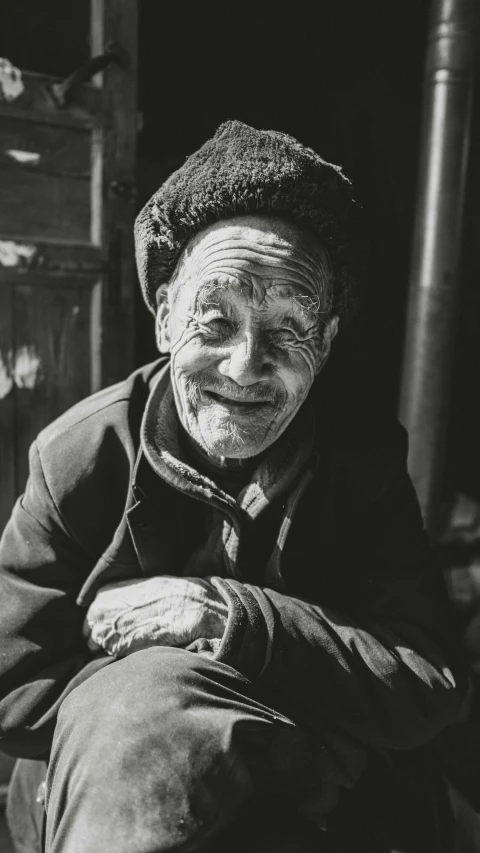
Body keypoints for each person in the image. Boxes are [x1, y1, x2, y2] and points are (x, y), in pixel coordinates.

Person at [0, 121, 466, 853]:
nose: (246, 366)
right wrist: (164, 697)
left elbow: (425, 681)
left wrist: (222, 617)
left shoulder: (359, 464)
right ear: (162, 318)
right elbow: (11, 685)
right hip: (116, 801)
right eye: (215, 321)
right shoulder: (80, 456)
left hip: (310, 791)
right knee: (139, 707)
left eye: (288, 331)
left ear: (330, 341)